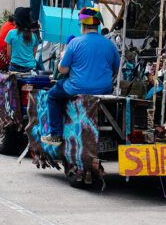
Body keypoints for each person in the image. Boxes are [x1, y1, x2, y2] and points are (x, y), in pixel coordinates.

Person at [45, 7, 120, 144]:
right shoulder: (110, 45)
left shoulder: (75, 43)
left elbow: (62, 70)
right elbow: (117, 69)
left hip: (77, 88)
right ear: (97, 26)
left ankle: (55, 134)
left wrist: (63, 58)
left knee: (52, 96)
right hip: (104, 89)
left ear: (83, 26)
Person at [6, 7, 42, 72]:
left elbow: (8, 54)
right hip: (30, 68)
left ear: (17, 21)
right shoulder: (34, 36)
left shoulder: (11, 33)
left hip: (14, 67)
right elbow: (33, 55)